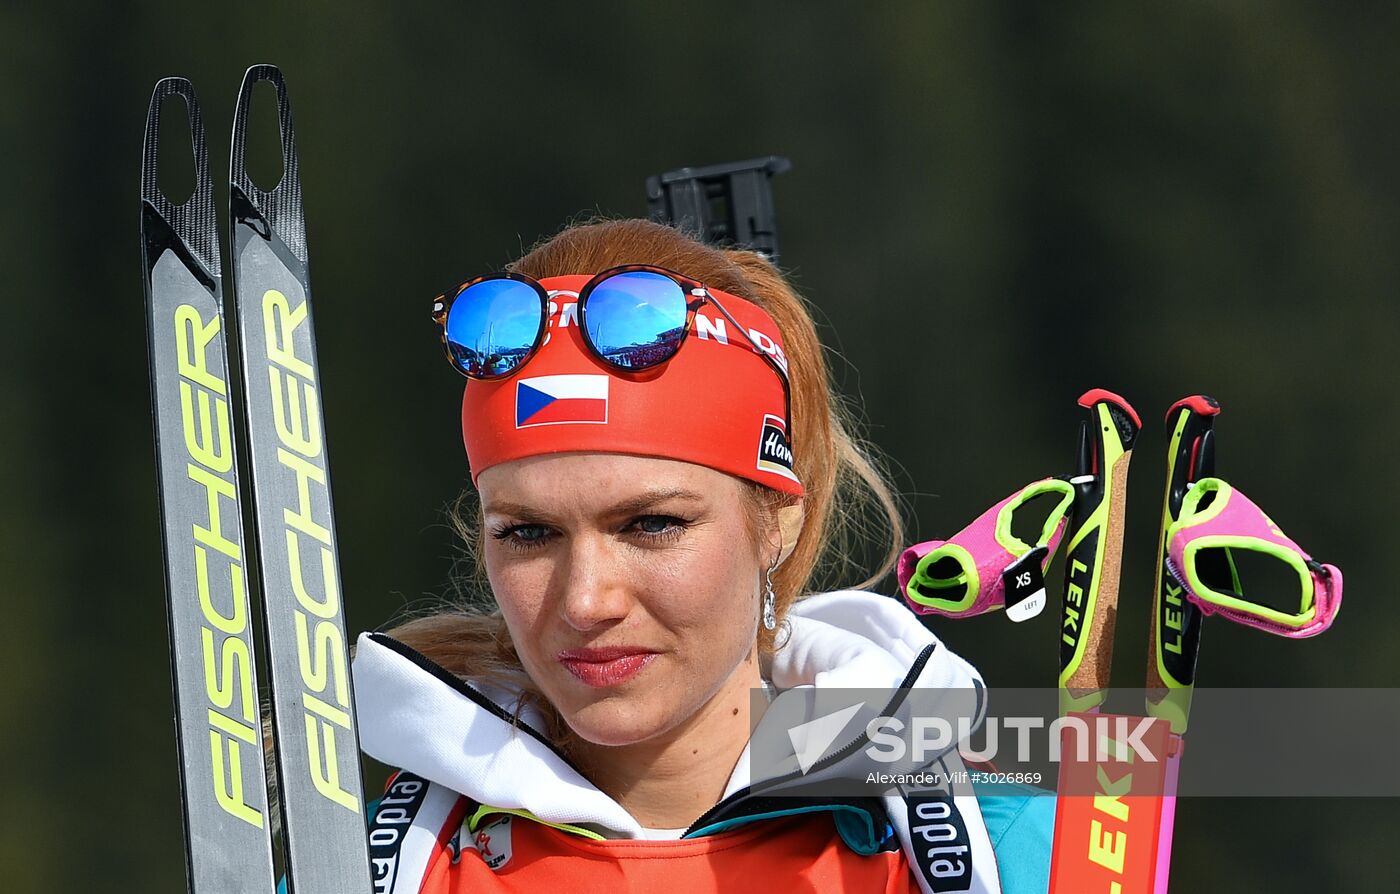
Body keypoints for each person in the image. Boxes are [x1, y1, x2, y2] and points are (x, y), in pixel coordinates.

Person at [352, 218, 1054, 893]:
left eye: (651, 524)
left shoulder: (997, 841)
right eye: (528, 533)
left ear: (774, 521)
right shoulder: (374, 864)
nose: (585, 601)